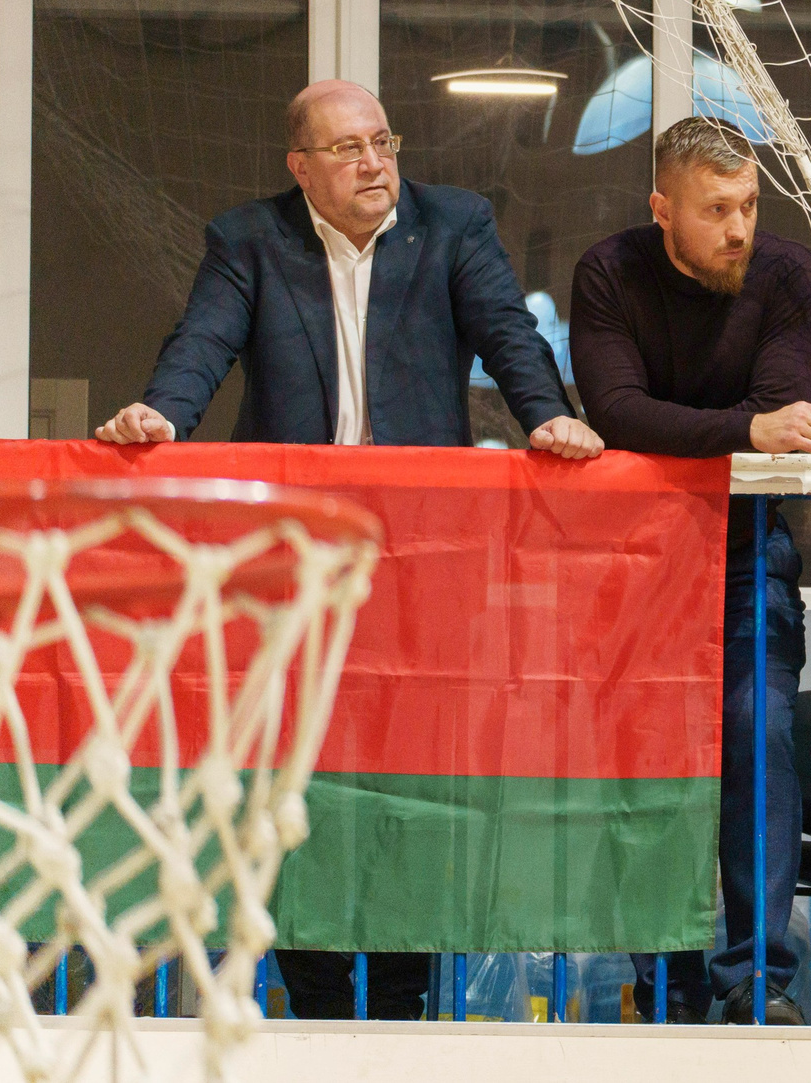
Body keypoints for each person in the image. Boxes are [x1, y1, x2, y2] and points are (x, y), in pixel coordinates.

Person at [94, 78, 601, 1021]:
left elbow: (509, 331)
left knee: (410, 776)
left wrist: (550, 420)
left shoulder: (453, 224)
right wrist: (161, 412)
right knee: (299, 777)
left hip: (421, 566)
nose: (376, 163)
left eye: (384, 141)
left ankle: (401, 995)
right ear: (301, 168)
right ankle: (319, 994)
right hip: (289, 570)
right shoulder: (250, 238)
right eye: (349, 148)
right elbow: (200, 343)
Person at [570, 115, 811, 1024]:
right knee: (654, 773)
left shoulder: (788, 273)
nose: (739, 227)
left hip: (745, 552)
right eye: (716, 208)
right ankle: (669, 982)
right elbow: (617, 410)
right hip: (637, 561)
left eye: (750, 204)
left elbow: (785, 404)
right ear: (662, 210)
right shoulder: (610, 270)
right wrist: (739, 433)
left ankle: (760, 981)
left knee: (758, 748)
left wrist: (728, 431)